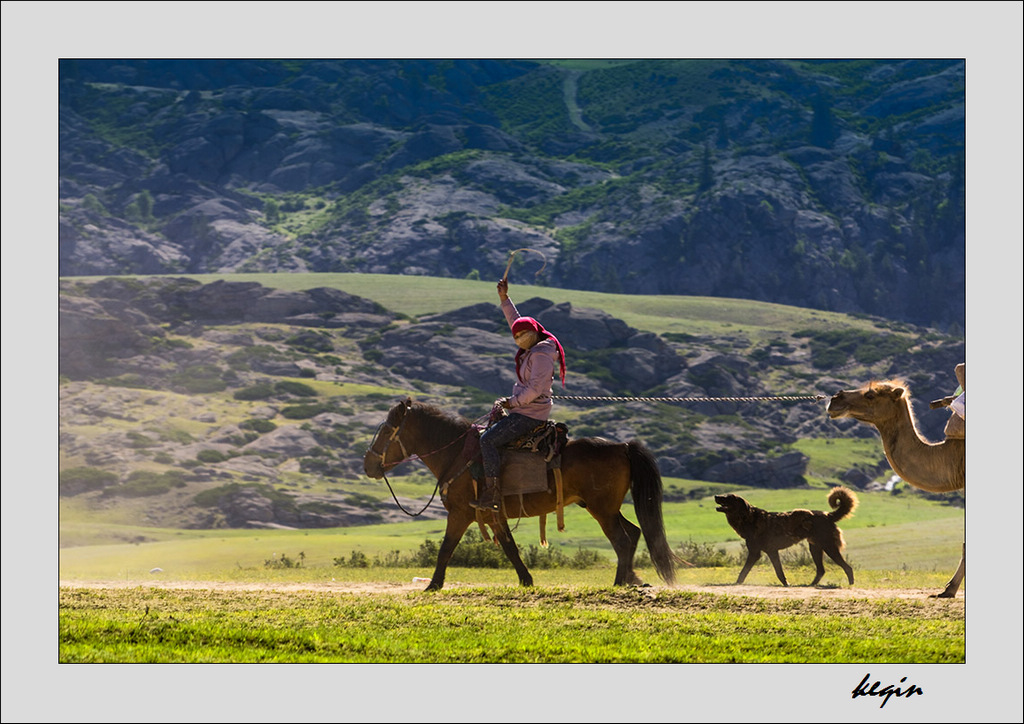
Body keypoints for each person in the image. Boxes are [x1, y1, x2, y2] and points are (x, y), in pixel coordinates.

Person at [471, 278, 566, 511]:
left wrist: (511, 403)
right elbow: (517, 323)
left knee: (488, 440)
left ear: (530, 336)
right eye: (517, 338)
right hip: (525, 408)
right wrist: (504, 299)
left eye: (521, 338)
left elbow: (533, 390)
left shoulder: (540, 356)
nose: (518, 341)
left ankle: (492, 495)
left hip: (530, 413)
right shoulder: (532, 342)